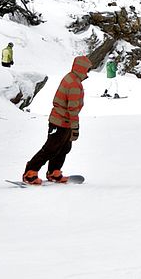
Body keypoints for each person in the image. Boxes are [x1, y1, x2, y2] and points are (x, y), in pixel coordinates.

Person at [22, 55, 92, 184]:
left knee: (64, 147)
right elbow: (73, 109)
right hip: (61, 121)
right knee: (51, 148)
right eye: (88, 70)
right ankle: (30, 172)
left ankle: (54, 171)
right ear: (82, 69)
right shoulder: (74, 84)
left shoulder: (71, 77)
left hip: (64, 121)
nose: (88, 73)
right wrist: (75, 128)